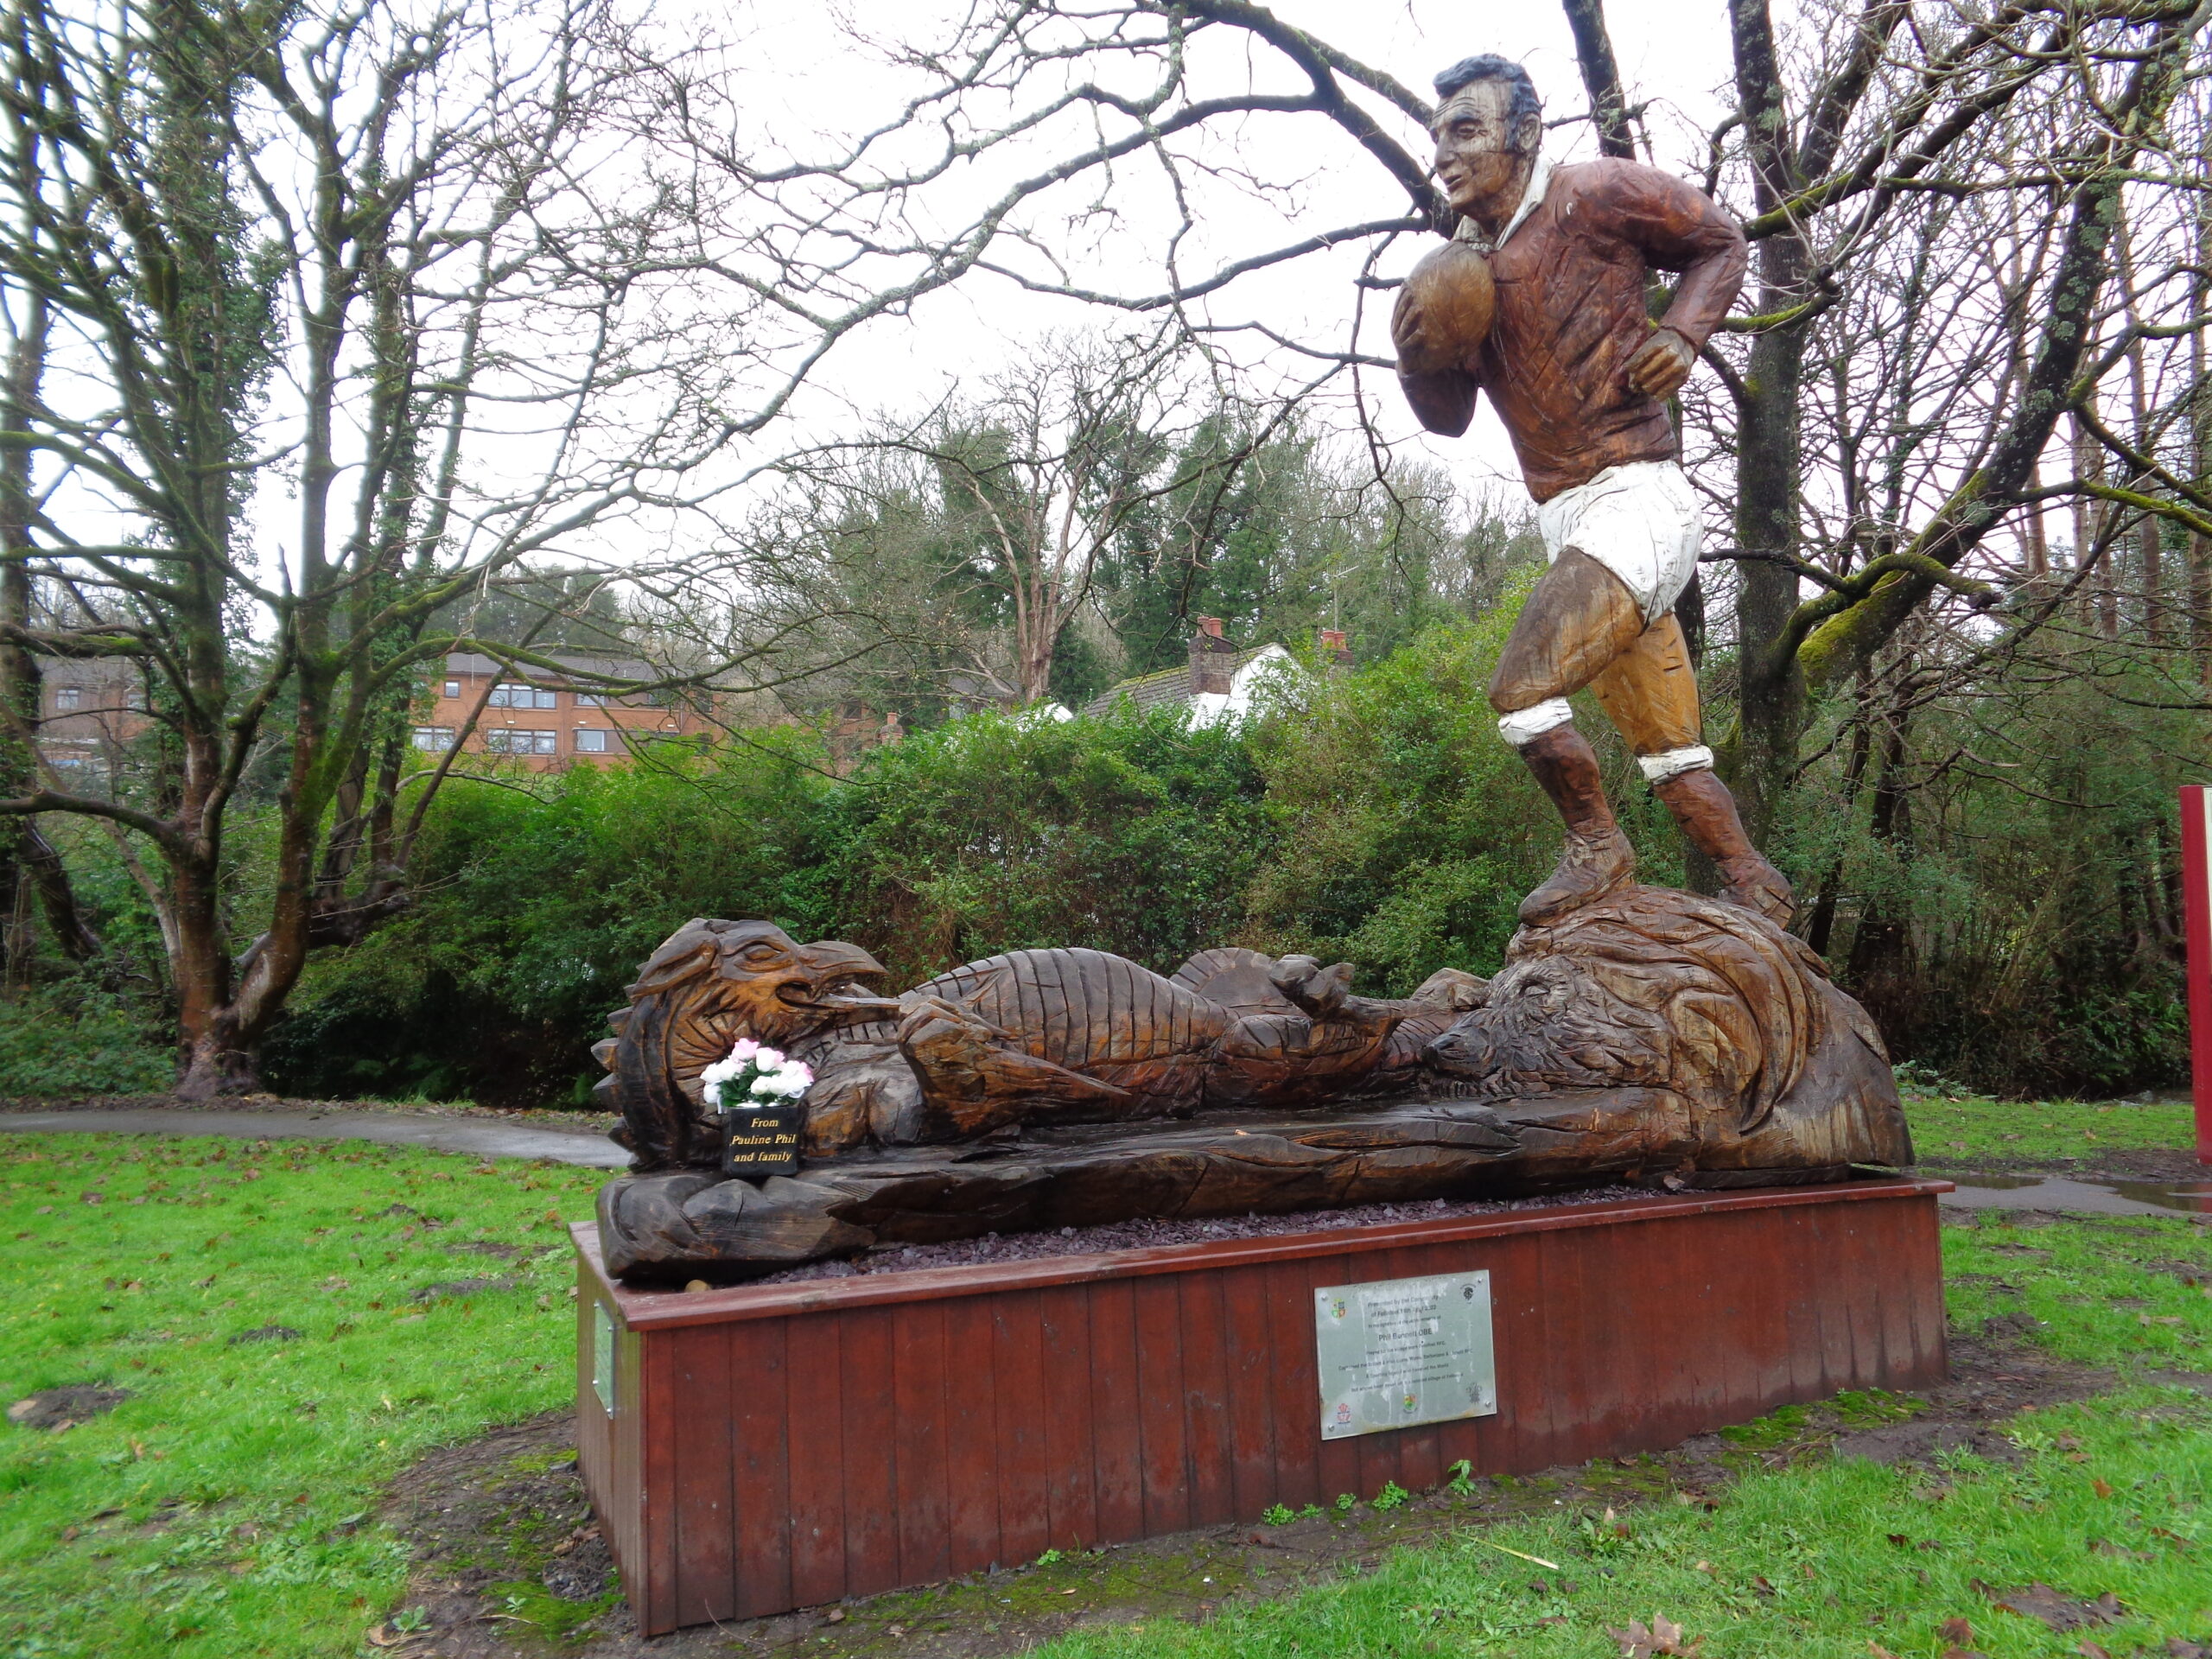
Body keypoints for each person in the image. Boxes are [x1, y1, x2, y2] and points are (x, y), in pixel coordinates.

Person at [1395, 54, 1792, 928]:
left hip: (1637, 499)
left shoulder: (1595, 194)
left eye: (1465, 130)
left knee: (1521, 691)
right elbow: (1448, 419)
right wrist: (1416, 355)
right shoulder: (1459, 274)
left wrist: (1683, 334)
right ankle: (1758, 889)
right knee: (1671, 756)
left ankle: (1596, 847)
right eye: (1437, 136)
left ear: (1524, 133)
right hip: (1567, 518)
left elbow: (1721, 241)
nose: (1444, 154)